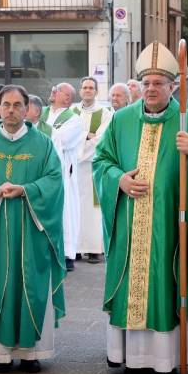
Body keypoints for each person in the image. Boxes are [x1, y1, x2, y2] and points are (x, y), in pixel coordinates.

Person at [94, 41, 188, 374]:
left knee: (167, 284)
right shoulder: (121, 120)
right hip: (129, 221)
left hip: (170, 226)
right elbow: (101, 162)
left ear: (173, 86)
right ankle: (127, 357)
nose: (151, 89)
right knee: (130, 284)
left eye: (159, 83)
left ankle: (165, 359)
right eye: (146, 83)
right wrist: (119, 180)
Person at [0, 85, 66, 373]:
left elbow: (55, 181)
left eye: (17, 105)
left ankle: (31, 353)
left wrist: (27, 189)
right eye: (5, 104)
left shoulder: (42, 144)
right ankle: (1, 354)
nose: (11, 110)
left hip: (31, 230)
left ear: (27, 108)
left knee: (30, 285)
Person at [41, 83, 86, 271]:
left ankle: (66, 254)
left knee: (65, 211)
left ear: (67, 97)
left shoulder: (74, 119)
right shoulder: (42, 112)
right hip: (40, 170)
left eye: (57, 90)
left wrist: (38, 132)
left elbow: (63, 140)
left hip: (62, 173)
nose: (52, 91)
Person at [73, 77, 113, 264]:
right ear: (80, 91)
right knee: (75, 207)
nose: (87, 90)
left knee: (94, 209)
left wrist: (83, 142)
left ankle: (95, 249)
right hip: (73, 168)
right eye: (85, 87)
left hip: (93, 166)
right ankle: (77, 248)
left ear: (96, 91)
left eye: (91, 88)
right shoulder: (72, 112)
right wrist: (85, 136)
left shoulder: (105, 113)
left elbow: (101, 139)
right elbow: (65, 135)